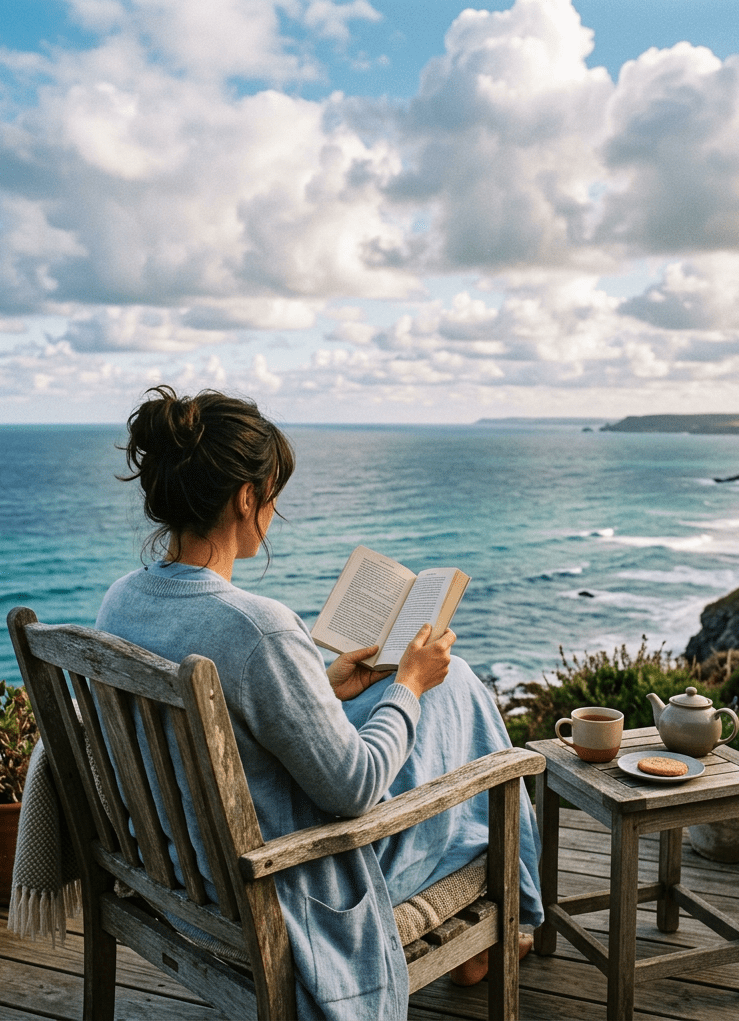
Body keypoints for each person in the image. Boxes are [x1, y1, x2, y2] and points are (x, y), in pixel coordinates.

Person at [95, 386, 543, 1021]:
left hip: (183, 865)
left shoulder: (122, 600)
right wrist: (410, 683)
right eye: (272, 492)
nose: (274, 509)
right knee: (459, 700)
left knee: (451, 689)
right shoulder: (258, 629)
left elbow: (219, 723)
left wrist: (325, 687)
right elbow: (355, 791)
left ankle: (506, 922)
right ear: (247, 498)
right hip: (283, 880)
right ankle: (514, 916)